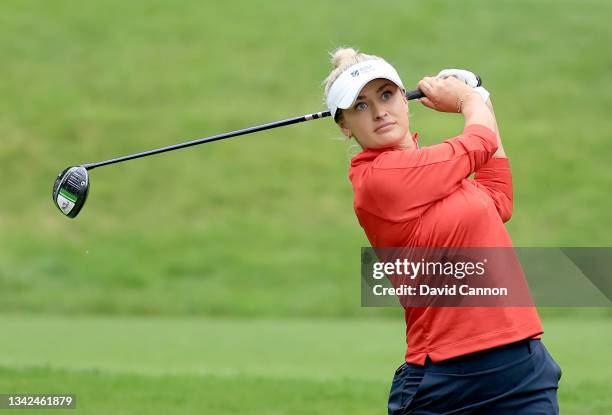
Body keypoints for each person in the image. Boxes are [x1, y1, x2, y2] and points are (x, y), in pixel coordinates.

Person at [323, 47, 562, 414]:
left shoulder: (439, 171)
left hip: (521, 367)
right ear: (344, 126)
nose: (379, 111)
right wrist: (470, 98)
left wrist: (482, 100)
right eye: (360, 106)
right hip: (447, 380)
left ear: (405, 99)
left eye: (386, 95)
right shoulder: (377, 179)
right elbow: (479, 142)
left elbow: (499, 198)